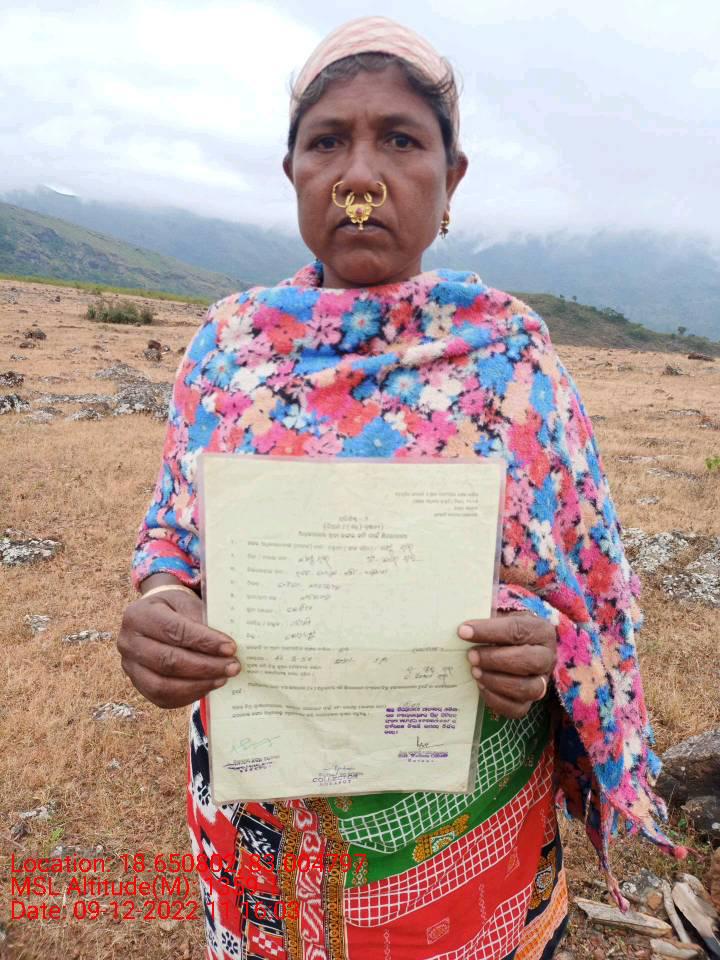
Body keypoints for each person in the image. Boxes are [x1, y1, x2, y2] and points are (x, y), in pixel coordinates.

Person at [117, 16, 686, 960]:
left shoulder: (513, 362)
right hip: (263, 841)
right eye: (326, 142)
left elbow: (584, 599)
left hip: (470, 843)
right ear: (292, 172)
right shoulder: (229, 350)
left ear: (451, 179)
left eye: (401, 140)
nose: (360, 175)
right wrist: (161, 604)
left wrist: (539, 654)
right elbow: (173, 539)